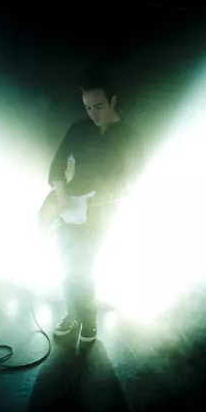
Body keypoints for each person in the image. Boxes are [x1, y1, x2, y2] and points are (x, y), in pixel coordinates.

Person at [48, 69, 143, 343]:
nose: (93, 114)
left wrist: (120, 193)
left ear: (113, 101)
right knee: (68, 265)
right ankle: (75, 314)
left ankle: (86, 319)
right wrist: (62, 196)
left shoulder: (129, 137)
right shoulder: (79, 129)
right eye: (87, 107)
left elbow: (133, 178)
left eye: (98, 106)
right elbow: (57, 165)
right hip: (71, 208)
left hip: (103, 213)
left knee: (82, 267)